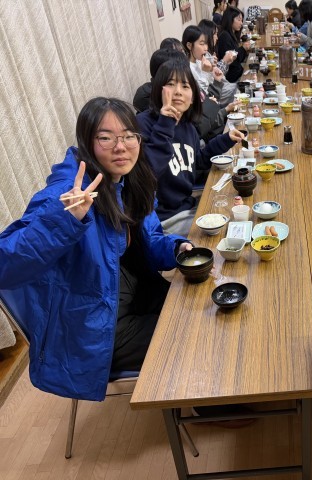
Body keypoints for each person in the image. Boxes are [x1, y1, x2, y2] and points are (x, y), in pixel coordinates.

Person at [0, 97, 193, 401]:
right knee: (191, 333)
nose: (120, 147)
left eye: (128, 136)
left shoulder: (129, 179)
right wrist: (65, 220)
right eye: (106, 138)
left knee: (202, 305)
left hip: (129, 291)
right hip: (94, 329)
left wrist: (177, 248)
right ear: (87, 142)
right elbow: (5, 265)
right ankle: (205, 406)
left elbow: (150, 239)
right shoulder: (67, 193)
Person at [137, 59, 243, 236]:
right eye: (171, 84)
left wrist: (224, 140)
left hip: (187, 207)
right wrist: (166, 123)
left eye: (185, 86)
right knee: (229, 230)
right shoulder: (142, 125)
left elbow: (197, 161)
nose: (178, 91)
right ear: (158, 90)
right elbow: (147, 175)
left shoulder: (187, 127)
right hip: (161, 220)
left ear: (193, 97)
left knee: (238, 211)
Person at [216, 7, 251, 89]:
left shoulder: (232, 34)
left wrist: (243, 49)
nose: (241, 23)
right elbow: (232, 61)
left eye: (242, 20)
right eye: (239, 20)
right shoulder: (225, 36)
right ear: (230, 19)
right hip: (232, 79)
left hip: (237, 74)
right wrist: (243, 49)